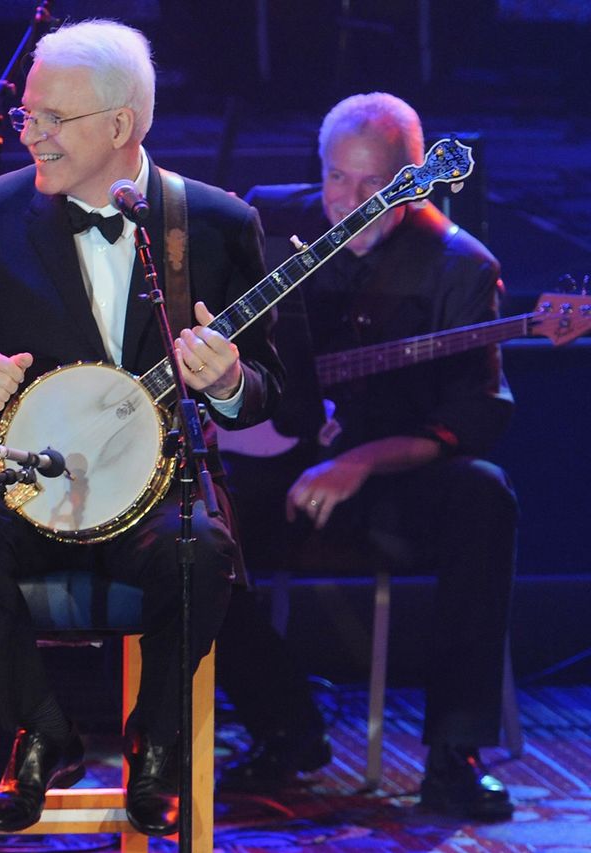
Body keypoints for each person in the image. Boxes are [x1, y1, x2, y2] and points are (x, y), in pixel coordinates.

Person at [0, 19, 283, 836]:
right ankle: (42, 731)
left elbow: (269, 388)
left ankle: (156, 745)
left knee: (204, 547)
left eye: (52, 119)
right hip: (30, 482)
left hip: (153, 491)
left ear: (119, 127)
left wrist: (226, 386)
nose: (30, 134)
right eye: (26, 116)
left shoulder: (212, 223)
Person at [215, 92, 517, 821]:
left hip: (392, 478)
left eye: (372, 185)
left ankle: (454, 756)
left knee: (485, 494)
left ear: (414, 179)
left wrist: (358, 462)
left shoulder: (459, 266)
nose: (348, 203)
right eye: (334, 180)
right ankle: (286, 723)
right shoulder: (267, 219)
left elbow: (471, 418)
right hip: (274, 460)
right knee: (187, 525)